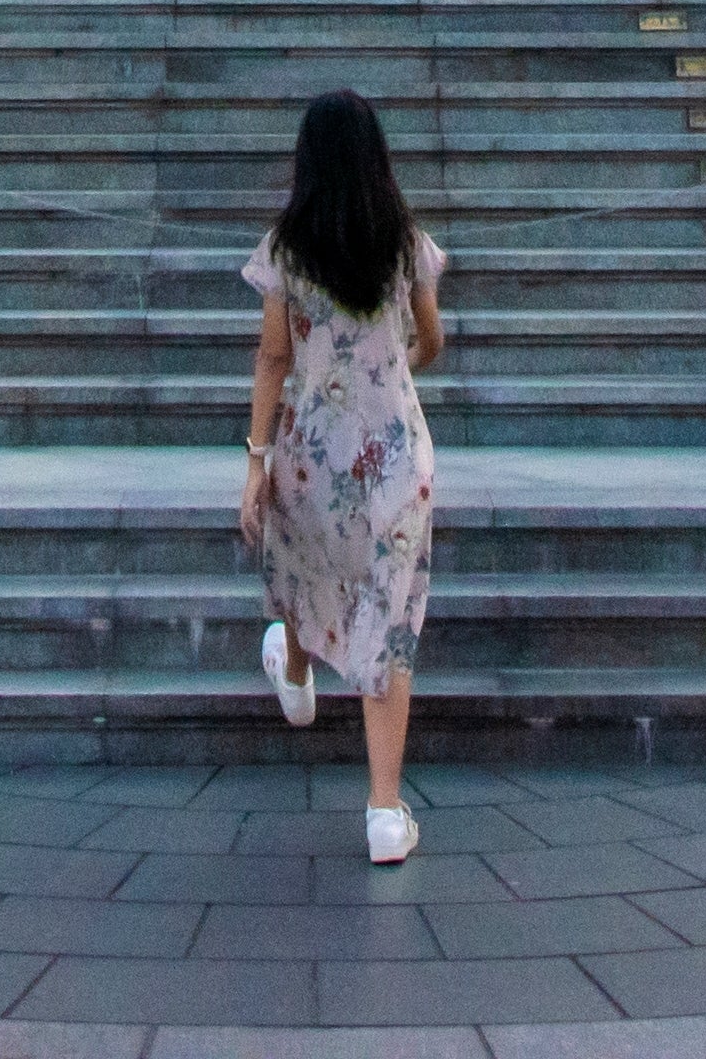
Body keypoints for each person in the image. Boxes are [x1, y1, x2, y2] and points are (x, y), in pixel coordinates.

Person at [242, 88, 446, 860]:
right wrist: (390, 370)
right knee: (389, 617)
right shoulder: (406, 243)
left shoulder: (288, 248)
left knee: (304, 559)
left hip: (314, 448)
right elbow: (429, 340)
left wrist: (255, 459)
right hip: (396, 454)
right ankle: (386, 812)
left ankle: (295, 667)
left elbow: (273, 357)